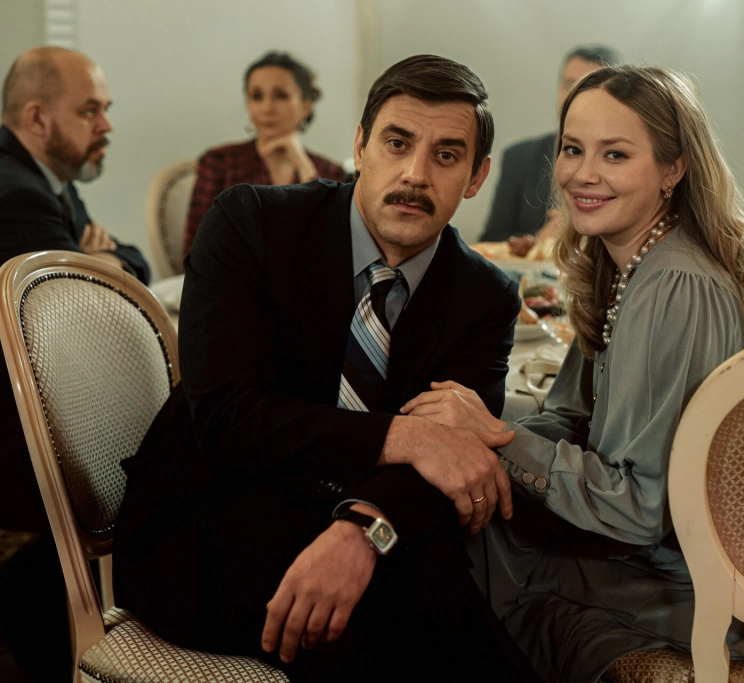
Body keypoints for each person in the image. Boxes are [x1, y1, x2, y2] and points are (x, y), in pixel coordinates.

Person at [400, 64, 744, 683]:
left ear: (672, 169)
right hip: (703, 557)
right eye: (572, 149)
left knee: (462, 546)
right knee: (464, 514)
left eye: (615, 154)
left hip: (739, 592)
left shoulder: (675, 286)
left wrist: (493, 441)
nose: (583, 173)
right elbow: (573, 417)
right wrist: (474, 431)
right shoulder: (632, 262)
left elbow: (637, 508)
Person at [114, 54, 542, 683]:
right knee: (421, 607)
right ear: (360, 146)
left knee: (416, 604)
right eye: (397, 143)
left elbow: (452, 466)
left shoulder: (486, 297)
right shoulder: (251, 223)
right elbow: (228, 418)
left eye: (447, 155)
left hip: (367, 529)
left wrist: (363, 531)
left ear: (476, 176)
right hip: (207, 519)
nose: (415, 174)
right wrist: (408, 437)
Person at [0, 46, 150, 682]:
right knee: (157, 456)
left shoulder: (45, 183)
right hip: (15, 440)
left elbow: (128, 260)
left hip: (34, 410)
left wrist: (105, 261)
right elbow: (91, 300)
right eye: (90, 110)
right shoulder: (16, 195)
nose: (106, 124)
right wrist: (102, 263)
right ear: (37, 117)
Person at [182, 51, 350, 255]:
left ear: (306, 106)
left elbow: (336, 246)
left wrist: (305, 168)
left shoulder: (331, 172)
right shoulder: (219, 161)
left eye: (281, 96)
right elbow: (194, 247)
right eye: (257, 96)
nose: (267, 108)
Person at [479, 44, 621, 244]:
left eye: (589, 89)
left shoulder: (629, 160)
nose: (575, 98)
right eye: (569, 85)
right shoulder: (519, 158)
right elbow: (491, 241)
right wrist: (538, 240)